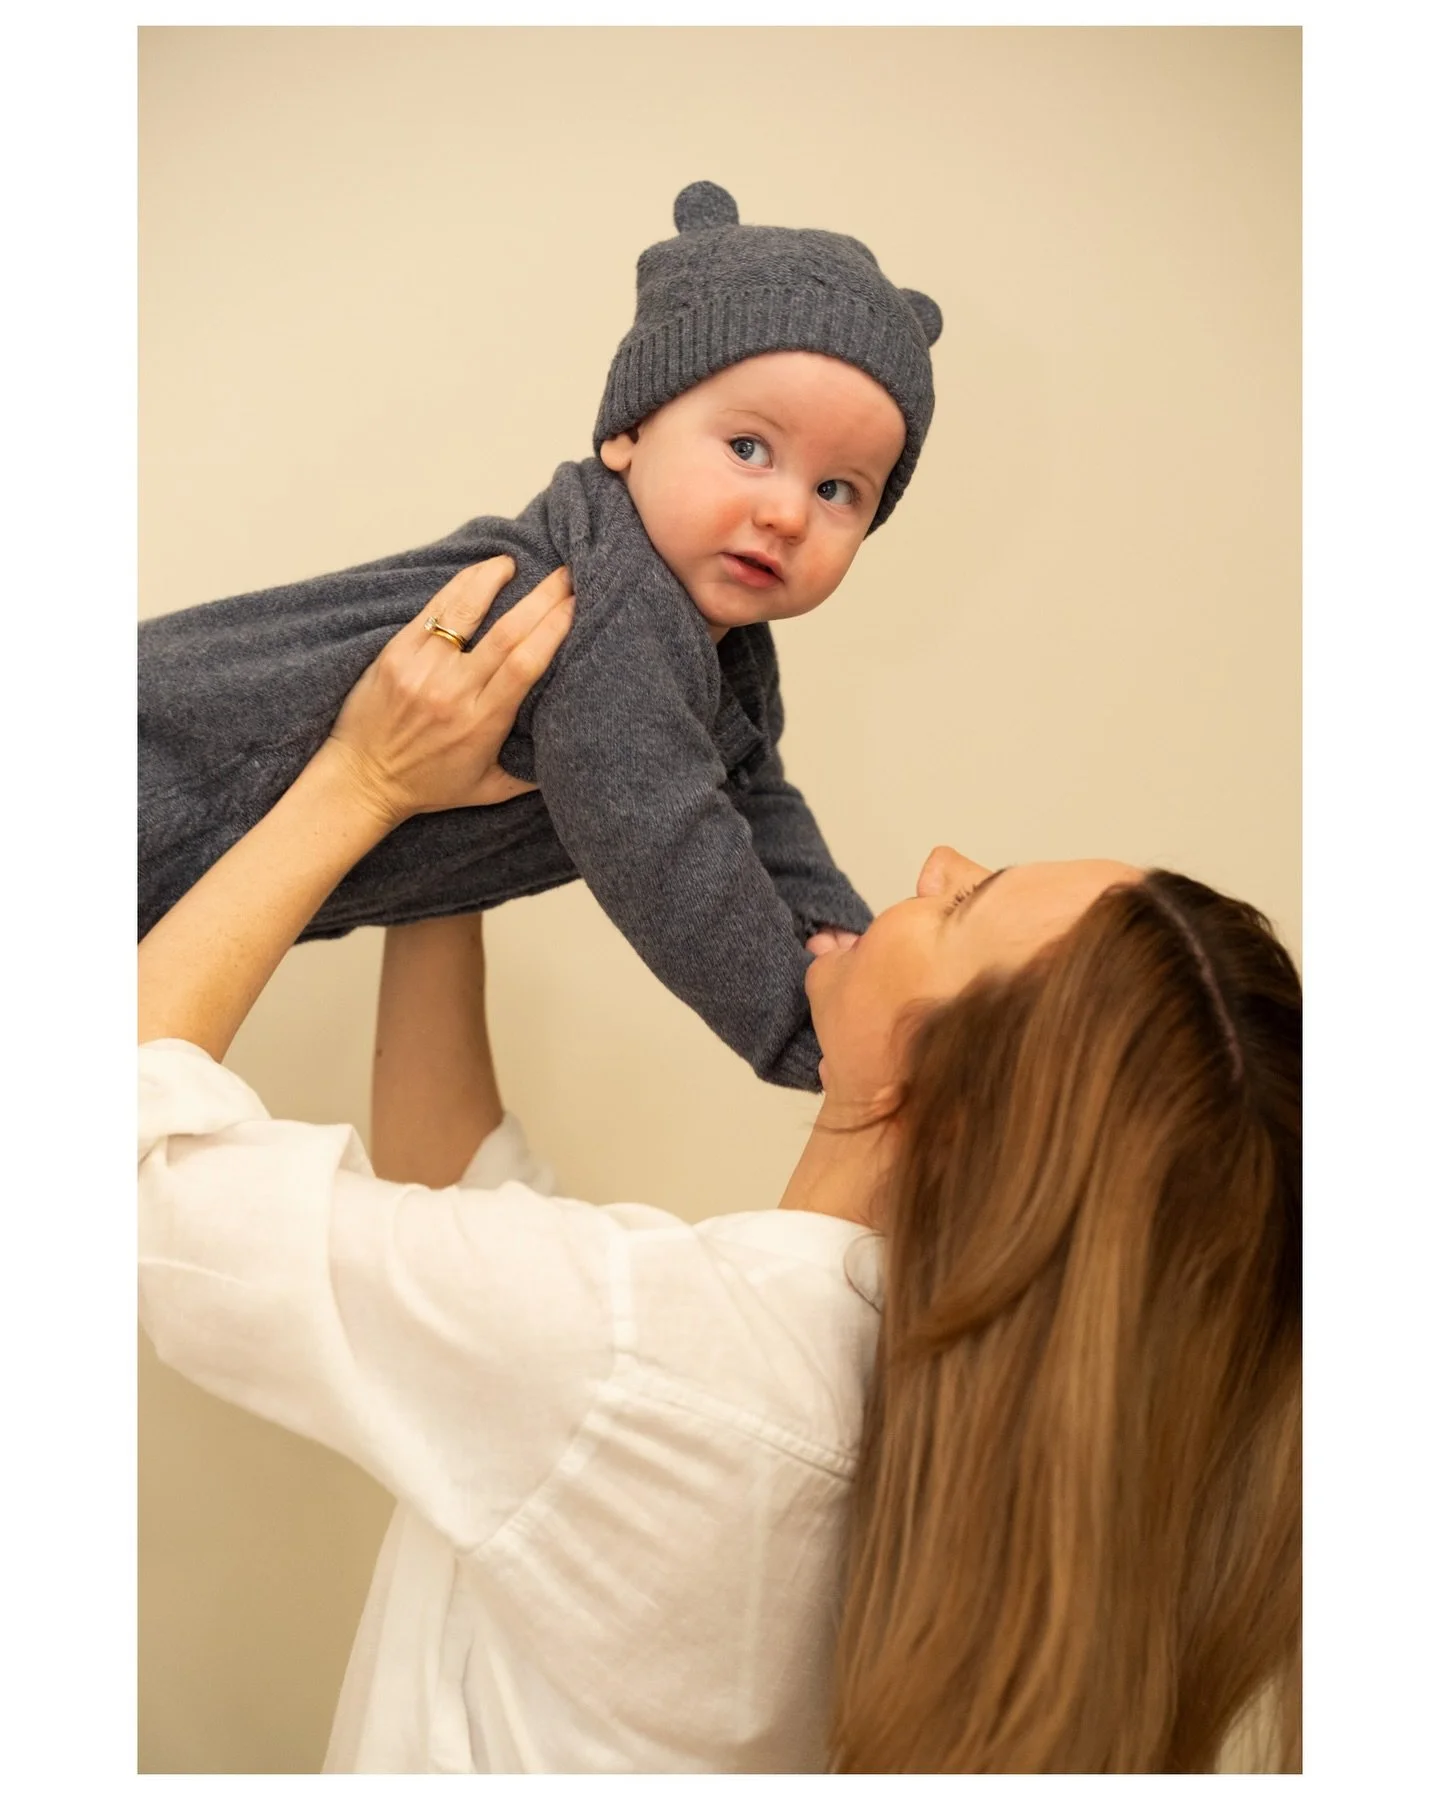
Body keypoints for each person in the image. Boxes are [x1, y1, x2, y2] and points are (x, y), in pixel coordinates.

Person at [138, 560, 1302, 1774]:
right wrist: (450, 853)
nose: (942, 861)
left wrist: (364, 779)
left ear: (946, 1096)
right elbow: (461, 1203)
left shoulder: (653, 1357)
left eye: (970, 902)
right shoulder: (895, 1433)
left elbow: (127, 1156)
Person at [138, 178, 945, 1093]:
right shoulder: (611, 602)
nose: (788, 512)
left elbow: (752, 789)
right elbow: (661, 838)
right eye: (750, 449)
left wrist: (827, 929)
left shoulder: (722, 641)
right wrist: (807, 1028)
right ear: (629, 435)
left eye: (839, 489)